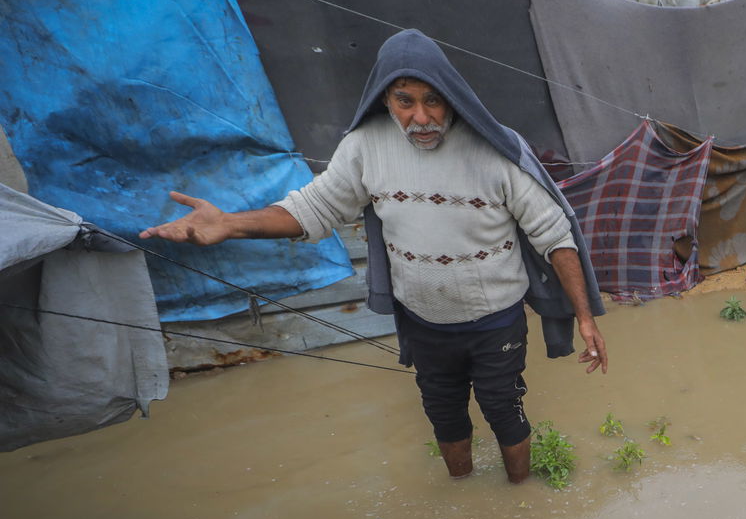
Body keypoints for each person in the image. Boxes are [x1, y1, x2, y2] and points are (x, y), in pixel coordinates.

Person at [141, 29, 607, 483]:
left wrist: (585, 318)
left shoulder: (496, 149)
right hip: (423, 320)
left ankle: (519, 503)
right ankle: (464, 500)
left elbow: (554, 234)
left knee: (503, 407)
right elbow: (315, 208)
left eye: (433, 100)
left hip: (495, 318)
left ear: (452, 97)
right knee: (443, 415)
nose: (421, 117)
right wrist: (228, 225)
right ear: (386, 99)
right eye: (406, 101)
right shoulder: (365, 148)